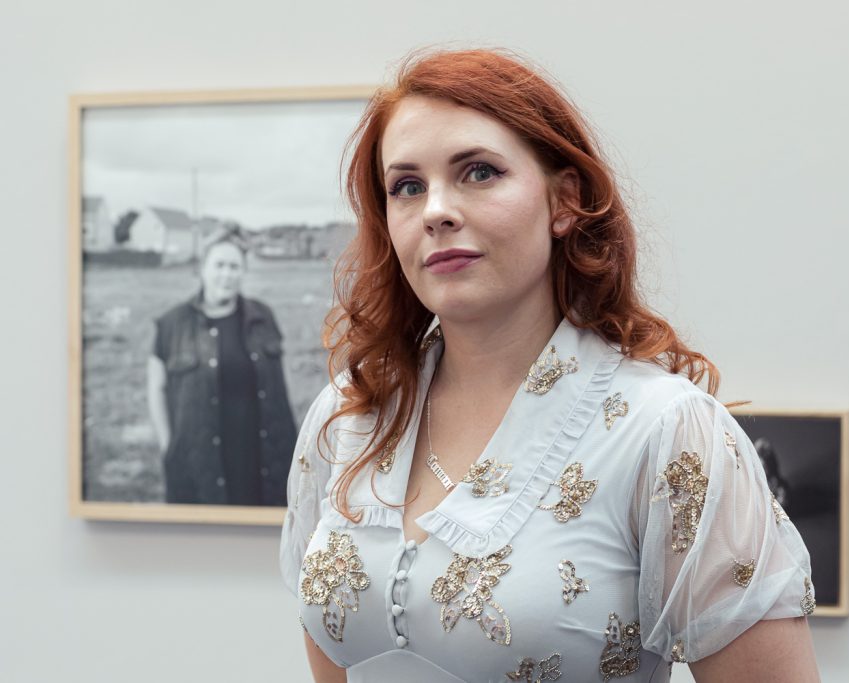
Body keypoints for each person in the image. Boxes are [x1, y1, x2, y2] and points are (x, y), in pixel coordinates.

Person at [280, 49, 820, 682]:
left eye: (478, 172)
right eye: (407, 186)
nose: (436, 210)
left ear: (564, 201)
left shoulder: (666, 431)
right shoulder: (350, 416)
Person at [147, 226, 297, 505]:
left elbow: (280, 385)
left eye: (234, 266)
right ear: (202, 268)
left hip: (260, 455)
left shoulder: (263, 317)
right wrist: (170, 447)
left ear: (243, 271)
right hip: (199, 460)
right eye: (219, 265)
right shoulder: (171, 325)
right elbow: (156, 389)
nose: (227, 275)